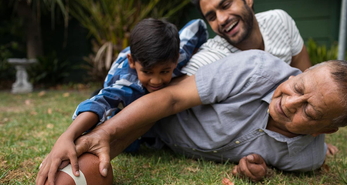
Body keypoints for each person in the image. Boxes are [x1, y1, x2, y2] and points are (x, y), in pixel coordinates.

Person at [64, 50, 347, 182]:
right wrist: (104, 133)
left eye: (309, 111)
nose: (290, 102)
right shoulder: (257, 69)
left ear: (322, 130)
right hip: (152, 103)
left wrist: (263, 170)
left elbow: (313, 153)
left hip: (156, 143)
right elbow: (171, 98)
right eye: (298, 86)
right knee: (91, 142)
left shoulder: (307, 159)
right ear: (302, 72)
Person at [36, 18, 208, 185]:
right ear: (132, 62)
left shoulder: (179, 50)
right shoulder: (126, 80)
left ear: (177, 59)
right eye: (147, 72)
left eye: (165, 71)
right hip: (119, 100)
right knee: (122, 135)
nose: (156, 81)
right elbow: (102, 101)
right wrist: (67, 136)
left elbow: (198, 26)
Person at [181, 0, 312, 75]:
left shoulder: (280, 21)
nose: (221, 20)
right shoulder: (213, 57)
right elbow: (172, 97)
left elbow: (305, 76)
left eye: (226, 5)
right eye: (212, 17)